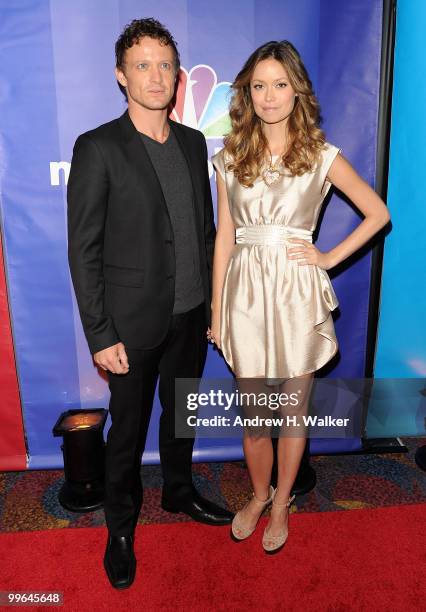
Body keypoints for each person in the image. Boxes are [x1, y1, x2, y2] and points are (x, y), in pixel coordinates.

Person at [67, 18, 233, 590]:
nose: (155, 75)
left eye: (165, 64)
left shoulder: (192, 142)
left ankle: (181, 490)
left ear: (178, 76)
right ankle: (119, 529)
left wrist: (212, 305)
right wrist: (99, 334)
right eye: (142, 64)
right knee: (128, 431)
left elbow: (205, 233)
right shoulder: (98, 147)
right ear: (121, 75)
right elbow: (83, 252)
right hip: (131, 325)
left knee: (182, 415)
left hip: (190, 313)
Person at [209, 40, 390, 554]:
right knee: (254, 419)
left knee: (291, 413)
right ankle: (258, 494)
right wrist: (217, 307)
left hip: (295, 294)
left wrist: (328, 258)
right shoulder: (228, 156)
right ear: (247, 92)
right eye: (259, 86)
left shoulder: (321, 155)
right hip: (243, 293)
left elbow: (378, 213)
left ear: (298, 90)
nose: (269, 97)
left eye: (280, 85)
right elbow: (225, 235)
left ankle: (283, 500)